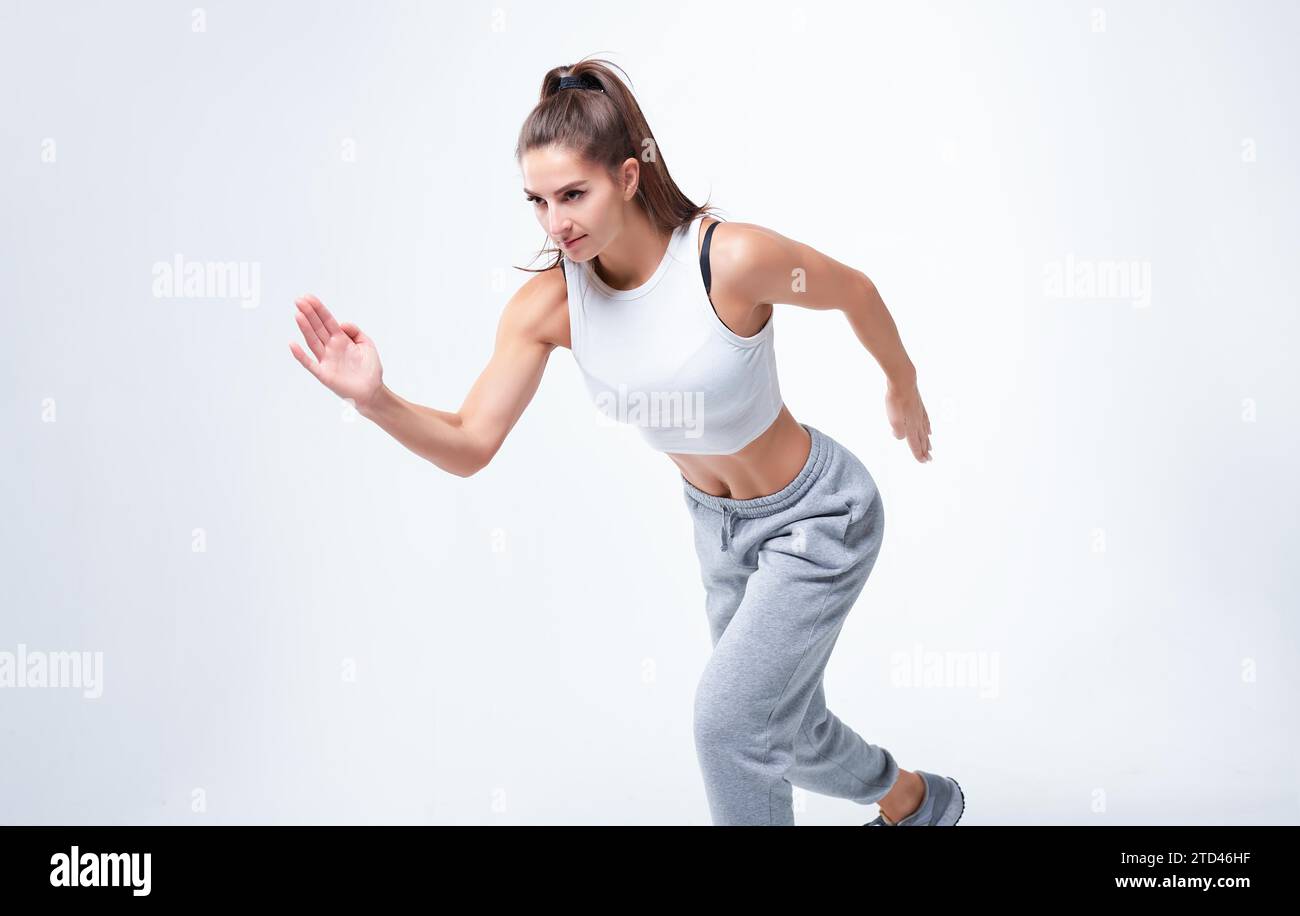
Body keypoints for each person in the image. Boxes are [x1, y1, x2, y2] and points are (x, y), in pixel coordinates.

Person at [288, 57, 963, 827]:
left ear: (630, 176)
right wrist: (376, 400)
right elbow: (472, 442)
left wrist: (901, 382)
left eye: (573, 194)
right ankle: (914, 801)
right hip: (721, 536)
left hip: (819, 517)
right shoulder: (550, 306)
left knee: (730, 726)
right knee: (782, 726)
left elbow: (855, 290)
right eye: (538, 202)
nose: (555, 223)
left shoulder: (727, 260)